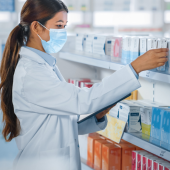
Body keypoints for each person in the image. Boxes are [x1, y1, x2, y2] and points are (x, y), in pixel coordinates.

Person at [0, 0, 168, 170]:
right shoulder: (31, 72)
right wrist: (135, 67)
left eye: (65, 26)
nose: (63, 32)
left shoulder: (44, 65)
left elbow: (57, 123)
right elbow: (81, 101)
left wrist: (96, 117)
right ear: (36, 27)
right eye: (59, 25)